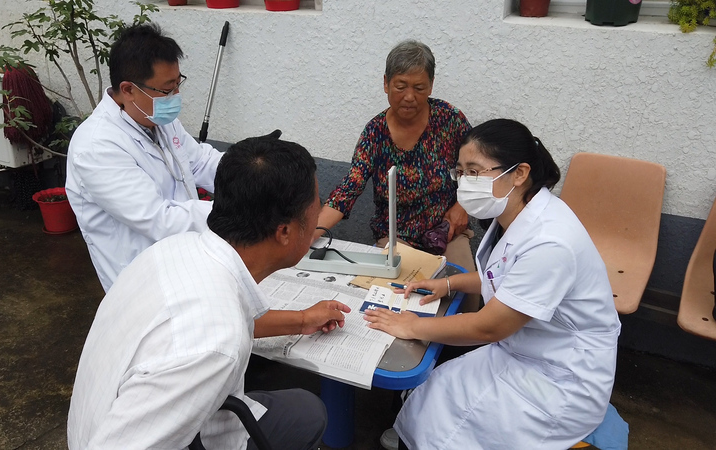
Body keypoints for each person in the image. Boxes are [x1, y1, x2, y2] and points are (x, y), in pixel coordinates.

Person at [68, 136, 351, 449]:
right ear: (284, 231)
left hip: (99, 415)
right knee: (310, 414)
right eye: (316, 208)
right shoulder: (214, 345)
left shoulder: (176, 248)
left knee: (304, 409)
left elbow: (216, 322)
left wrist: (302, 319)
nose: (319, 216)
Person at [364, 119, 621, 449]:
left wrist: (412, 325)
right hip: (529, 349)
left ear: (519, 173)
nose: (464, 183)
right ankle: (414, 428)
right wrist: (450, 283)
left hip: (562, 378)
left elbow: (490, 327)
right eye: (460, 172)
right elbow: (503, 276)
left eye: (475, 171)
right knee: (437, 387)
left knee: (443, 404)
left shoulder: (551, 241)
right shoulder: (519, 214)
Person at [66, 23, 224, 292]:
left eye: (178, 84)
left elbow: (200, 162)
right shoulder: (96, 146)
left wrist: (254, 172)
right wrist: (238, 210)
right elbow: (158, 219)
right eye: (167, 90)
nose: (175, 96)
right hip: (143, 283)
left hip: (185, 258)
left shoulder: (156, 119)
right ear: (128, 90)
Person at [316, 40, 474, 272]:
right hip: (396, 236)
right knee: (399, 285)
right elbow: (348, 190)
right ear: (386, 84)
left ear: (431, 86)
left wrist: (462, 206)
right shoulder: (374, 133)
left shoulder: (449, 119)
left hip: (446, 231)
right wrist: (310, 234)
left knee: (462, 282)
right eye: (401, 87)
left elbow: (478, 168)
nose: (409, 96)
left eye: (419, 88)